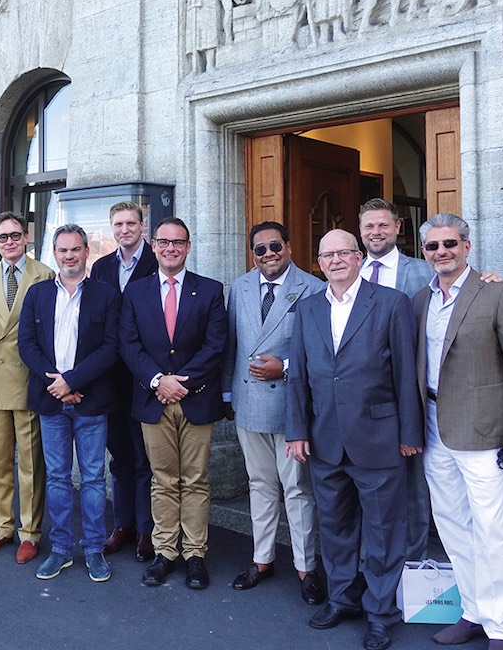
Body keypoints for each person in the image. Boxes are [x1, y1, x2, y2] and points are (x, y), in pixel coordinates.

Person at [413, 214, 503, 650]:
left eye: (450, 243)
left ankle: (501, 628)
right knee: (452, 525)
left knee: (491, 531)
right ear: (424, 252)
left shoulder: (497, 294)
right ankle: (472, 611)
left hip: (484, 429)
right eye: (432, 246)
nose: (441, 252)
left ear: (467, 246)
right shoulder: (420, 301)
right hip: (432, 427)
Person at [285, 229, 422, 650]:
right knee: (336, 526)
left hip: (379, 438)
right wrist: (296, 431)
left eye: (343, 252)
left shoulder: (391, 304)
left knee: (383, 532)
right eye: (327, 254)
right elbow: (299, 377)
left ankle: (381, 613)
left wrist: (409, 433)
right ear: (319, 263)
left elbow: (406, 373)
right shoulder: (307, 308)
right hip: (325, 439)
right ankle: (342, 598)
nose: (335, 260)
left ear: (359, 257)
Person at [120, 217, 228, 590]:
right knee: (163, 480)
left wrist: (180, 384)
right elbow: (128, 345)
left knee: (195, 480)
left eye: (177, 243)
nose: (170, 248)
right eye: (163, 242)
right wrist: (157, 381)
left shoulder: (211, 290)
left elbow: (216, 345)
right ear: (153, 245)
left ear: (188, 247)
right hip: (153, 400)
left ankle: (195, 554)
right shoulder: (135, 293)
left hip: (195, 399)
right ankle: (165, 552)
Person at [222, 221, 326, 604]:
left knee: (298, 489)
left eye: (275, 246)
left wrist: (283, 367)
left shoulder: (314, 288)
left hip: (291, 406)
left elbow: (322, 353)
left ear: (289, 247)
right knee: (260, 486)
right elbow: (230, 345)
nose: (268, 254)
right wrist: (226, 396)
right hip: (248, 403)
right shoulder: (240, 286)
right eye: (260, 249)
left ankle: (306, 567)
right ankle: (261, 559)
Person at [17, 224, 122, 582]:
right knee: (59, 478)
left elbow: (111, 348)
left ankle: (93, 548)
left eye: (75, 249)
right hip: (51, 402)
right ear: (54, 253)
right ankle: (61, 549)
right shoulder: (37, 295)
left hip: (91, 402)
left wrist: (73, 382)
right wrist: (57, 384)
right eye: (62, 250)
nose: (69, 256)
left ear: (86, 251)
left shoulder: (106, 296)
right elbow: (27, 345)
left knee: (93, 479)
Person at [0, 211, 52, 564]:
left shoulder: (44, 274)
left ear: (26, 237)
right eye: (3, 237)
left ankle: (29, 532)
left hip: (29, 381)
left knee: (31, 462)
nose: (10, 242)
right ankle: (1, 527)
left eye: (15, 235)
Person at [358, 198, 434, 561]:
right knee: (367, 487)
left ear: (397, 228)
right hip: (362, 400)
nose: (376, 232)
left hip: (410, 393)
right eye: (369, 226)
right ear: (360, 232)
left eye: (383, 225)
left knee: (414, 487)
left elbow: (464, 287)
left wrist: (489, 278)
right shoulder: (347, 271)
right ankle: (372, 565)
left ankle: (414, 566)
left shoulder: (423, 271)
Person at [90, 201, 157, 561]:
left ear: (142, 226)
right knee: (119, 456)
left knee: (145, 458)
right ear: (112, 228)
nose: (125, 229)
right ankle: (122, 524)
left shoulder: (156, 261)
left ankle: (146, 530)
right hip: (110, 379)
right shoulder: (101, 267)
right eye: (118, 224)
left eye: (131, 223)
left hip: (146, 377)